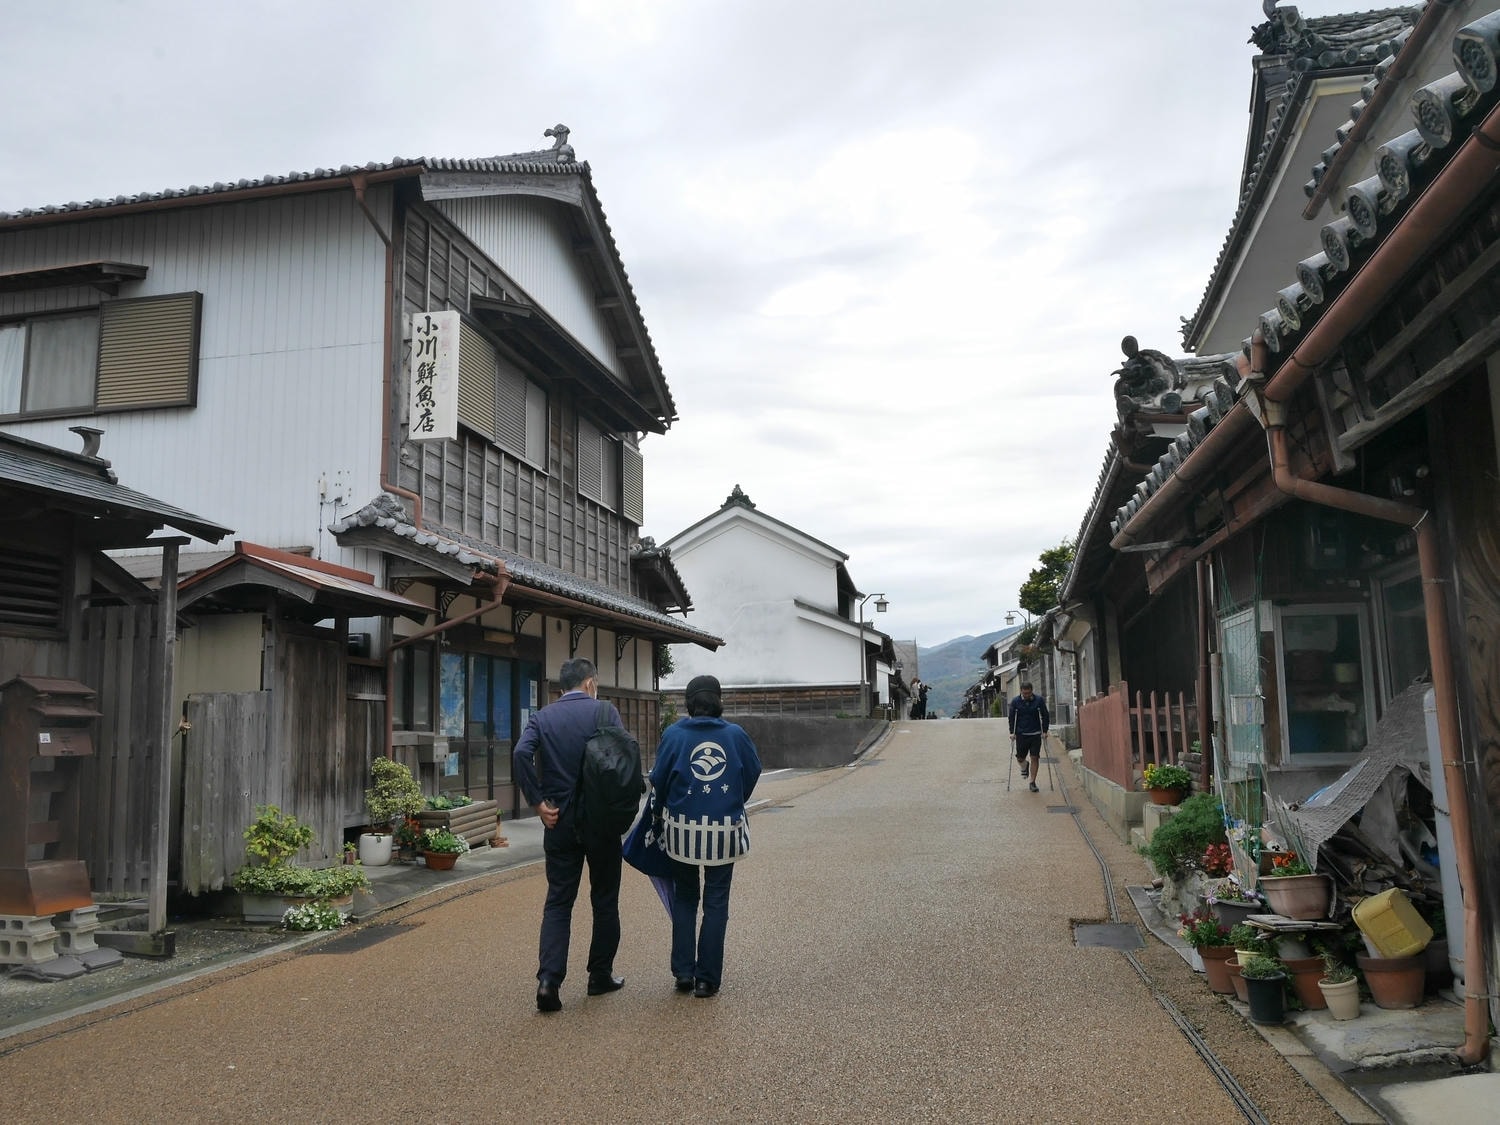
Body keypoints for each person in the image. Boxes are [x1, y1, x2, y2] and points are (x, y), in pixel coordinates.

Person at [512, 657, 626, 1012]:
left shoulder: (543, 717)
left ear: (562, 687)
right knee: (604, 899)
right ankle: (599, 975)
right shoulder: (605, 712)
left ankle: (549, 980)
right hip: (601, 821)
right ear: (590, 683)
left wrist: (536, 802)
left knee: (559, 901)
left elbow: (520, 754)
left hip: (557, 819)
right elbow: (623, 761)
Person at [649, 675, 762, 998]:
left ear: (689, 703)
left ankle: (683, 971)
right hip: (724, 831)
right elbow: (752, 771)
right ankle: (707, 979)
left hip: (681, 832)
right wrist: (733, 800)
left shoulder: (673, 735)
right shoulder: (735, 735)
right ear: (718, 701)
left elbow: (658, 778)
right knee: (716, 903)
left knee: (685, 898)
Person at [1008, 681, 1050, 793]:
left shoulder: (1039, 700)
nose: (1027, 695)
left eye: (1029, 693)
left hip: (1035, 733)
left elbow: (1045, 715)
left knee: (1034, 757)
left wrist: (1045, 730)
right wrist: (1012, 732)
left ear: (1032, 691)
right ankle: (1025, 765)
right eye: (1025, 693)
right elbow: (1012, 718)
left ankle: (1032, 782)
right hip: (1021, 734)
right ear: (1021, 691)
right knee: (1020, 758)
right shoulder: (1015, 702)